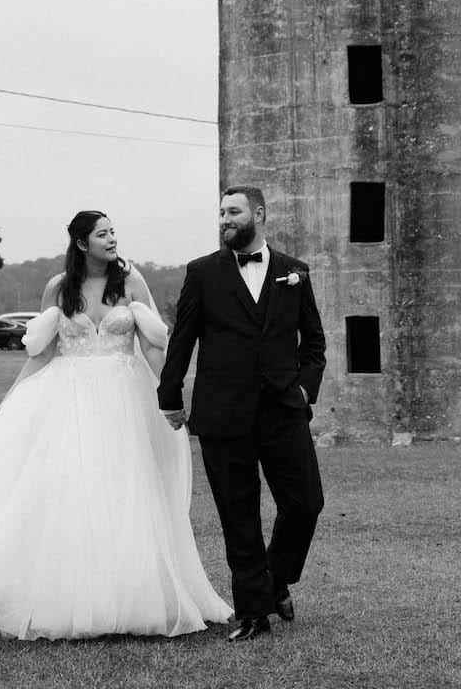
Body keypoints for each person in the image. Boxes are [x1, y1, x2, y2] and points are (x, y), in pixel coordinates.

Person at [0, 210, 232, 640]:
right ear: (82, 243)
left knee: (127, 491)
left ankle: (132, 595)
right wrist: (10, 400)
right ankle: (64, 598)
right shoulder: (58, 288)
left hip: (126, 398)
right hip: (68, 400)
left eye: (113, 231)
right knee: (70, 490)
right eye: (103, 234)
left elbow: (153, 347)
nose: (112, 239)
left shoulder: (132, 283)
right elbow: (42, 354)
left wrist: (168, 396)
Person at [158, 186, 326, 643]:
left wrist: (306, 391)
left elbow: (313, 343)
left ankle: (273, 581)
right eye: (220, 213)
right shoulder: (202, 272)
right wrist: (169, 395)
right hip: (223, 413)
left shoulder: (295, 272)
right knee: (239, 516)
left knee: (306, 503)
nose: (224, 220)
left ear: (259, 214)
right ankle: (252, 612)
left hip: (283, 411)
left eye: (233, 212)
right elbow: (184, 338)